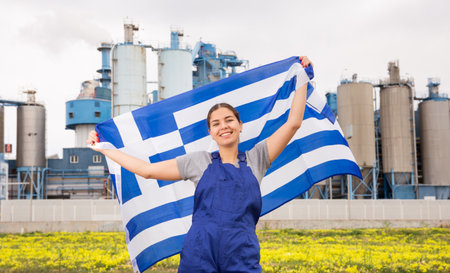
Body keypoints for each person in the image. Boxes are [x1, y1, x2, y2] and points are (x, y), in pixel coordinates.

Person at [87, 56, 313, 273]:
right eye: (216, 123)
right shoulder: (198, 162)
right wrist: (105, 148)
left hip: (242, 256)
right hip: (199, 256)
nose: (223, 126)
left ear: (240, 125)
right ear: (211, 133)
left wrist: (301, 77)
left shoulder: (258, 158)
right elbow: (147, 171)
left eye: (229, 120)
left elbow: (293, 123)